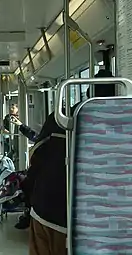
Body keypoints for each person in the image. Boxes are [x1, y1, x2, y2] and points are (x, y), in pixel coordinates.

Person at [22, 69, 115, 255]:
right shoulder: (122, 125)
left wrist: (27, 193)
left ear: (89, 93)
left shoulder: (60, 118)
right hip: (106, 220)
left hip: (49, 209)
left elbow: (37, 159)